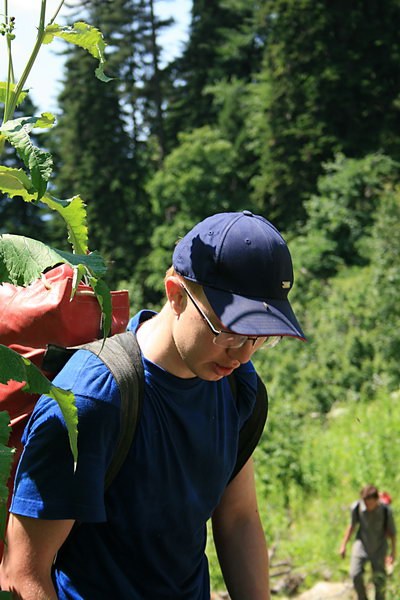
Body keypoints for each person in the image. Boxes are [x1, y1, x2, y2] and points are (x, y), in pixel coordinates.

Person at [0, 210, 305, 599]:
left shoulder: (237, 389)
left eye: (260, 337)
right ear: (175, 293)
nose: (243, 356)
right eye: (228, 331)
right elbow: (22, 571)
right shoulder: (93, 401)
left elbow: (238, 518)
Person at [340, 484, 397, 600]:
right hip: (361, 544)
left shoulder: (385, 511)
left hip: (379, 547)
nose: (367, 506)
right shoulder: (357, 507)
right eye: (365, 502)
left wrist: (393, 553)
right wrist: (343, 545)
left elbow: (392, 533)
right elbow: (352, 526)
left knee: (379, 580)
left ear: (376, 500)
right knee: (355, 574)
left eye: (370, 503)